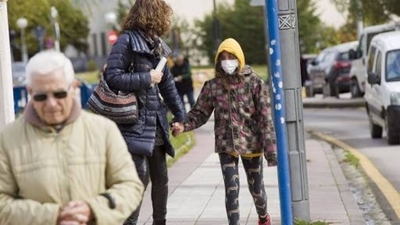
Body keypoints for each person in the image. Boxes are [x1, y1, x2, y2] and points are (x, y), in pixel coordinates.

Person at [0, 50, 144, 225]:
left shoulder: (104, 130)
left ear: (74, 87)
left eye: (59, 94)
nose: (51, 104)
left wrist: (92, 210)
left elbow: (130, 186)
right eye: (41, 96)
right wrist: (53, 216)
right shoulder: (8, 139)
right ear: (30, 92)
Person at [171, 38, 277, 225]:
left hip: (251, 143)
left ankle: (263, 216)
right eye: (223, 57)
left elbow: (265, 119)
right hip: (226, 144)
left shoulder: (255, 83)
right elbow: (199, 113)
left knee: (257, 190)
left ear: (239, 58)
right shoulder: (213, 86)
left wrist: (271, 152)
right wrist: (182, 125)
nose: (227, 61)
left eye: (231, 57)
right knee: (231, 188)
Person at [104, 0, 187, 224]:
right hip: (132, 122)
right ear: (152, 14)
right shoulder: (126, 41)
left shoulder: (157, 44)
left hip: (155, 123)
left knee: (161, 180)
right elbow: (112, 77)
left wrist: (180, 117)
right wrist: (146, 77)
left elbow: (167, 85)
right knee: (138, 180)